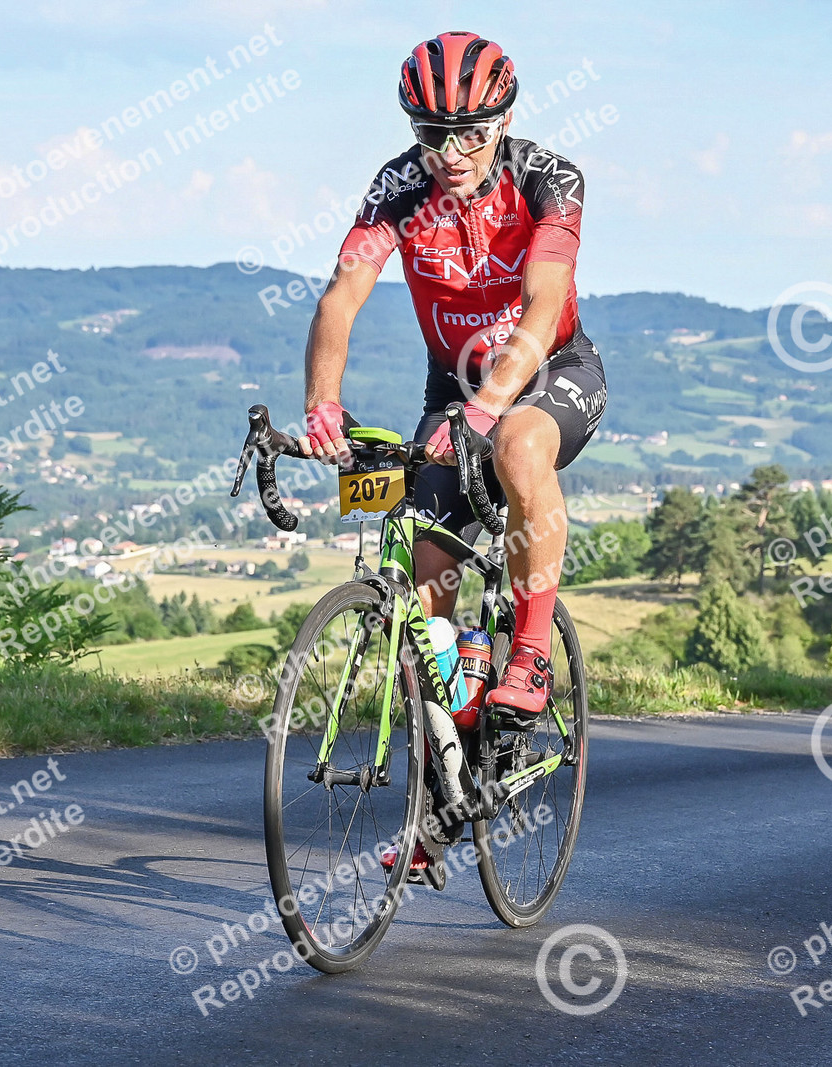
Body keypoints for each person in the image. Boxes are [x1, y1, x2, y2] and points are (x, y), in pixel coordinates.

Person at [298, 30, 607, 725]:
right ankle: (447, 747)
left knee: (518, 446)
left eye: (472, 134)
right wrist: (322, 404)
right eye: (434, 135)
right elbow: (340, 298)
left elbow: (544, 303)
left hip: (551, 371)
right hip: (453, 391)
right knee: (422, 572)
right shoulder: (400, 188)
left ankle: (530, 654)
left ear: (504, 121)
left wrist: (490, 406)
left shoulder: (548, 181)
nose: (453, 154)